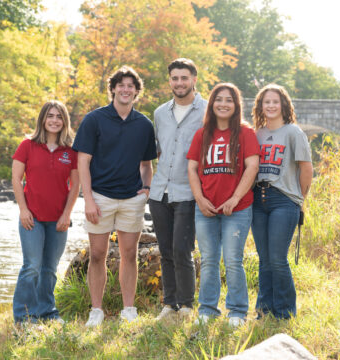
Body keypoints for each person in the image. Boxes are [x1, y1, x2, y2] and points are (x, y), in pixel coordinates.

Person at [73, 66, 157, 327]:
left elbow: (146, 164)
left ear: (136, 91)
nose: (125, 89)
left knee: (129, 253)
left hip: (131, 199)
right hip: (100, 197)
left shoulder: (144, 124)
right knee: (97, 254)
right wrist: (87, 199)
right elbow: (82, 162)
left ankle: (128, 309)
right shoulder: (94, 120)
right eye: (121, 84)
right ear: (113, 89)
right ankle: (96, 310)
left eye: (131, 85)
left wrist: (146, 189)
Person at [187, 83, 260, 327]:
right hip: (206, 207)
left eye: (229, 100)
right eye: (219, 99)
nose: (223, 104)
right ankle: (207, 310)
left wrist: (235, 198)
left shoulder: (245, 133)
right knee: (208, 260)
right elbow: (192, 168)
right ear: (212, 104)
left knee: (232, 260)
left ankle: (237, 312)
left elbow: (252, 167)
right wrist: (199, 198)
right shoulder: (202, 134)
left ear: (236, 105)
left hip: (237, 209)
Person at [148, 58, 207, 320]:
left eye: (184, 78)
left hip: (188, 191)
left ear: (194, 79)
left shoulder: (207, 110)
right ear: (169, 80)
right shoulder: (160, 113)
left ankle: (186, 306)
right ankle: (169, 304)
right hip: (160, 192)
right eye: (175, 78)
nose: (179, 83)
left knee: (183, 249)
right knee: (166, 250)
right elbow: (157, 150)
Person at [12, 100, 79, 325]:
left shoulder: (70, 151)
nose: (54, 120)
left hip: (58, 220)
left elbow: (75, 185)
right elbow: (16, 179)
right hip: (32, 218)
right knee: (31, 266)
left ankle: (47, 312)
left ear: (65, 121)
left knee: (49, 269)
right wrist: (23, 210)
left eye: (59, 116)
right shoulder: (28, 145)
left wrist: (67, 215)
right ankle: (23, 317)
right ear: (42, 119)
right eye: (50, 116)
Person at [251, 84, 313, 319]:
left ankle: (285, 312)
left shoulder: (293, 132)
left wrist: (299, 200)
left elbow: (306, 169)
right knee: (264, 259)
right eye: (266, 102)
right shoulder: (257, 134)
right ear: (260, 105)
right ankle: (264, 311)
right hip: (258, 199)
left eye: (275, 101)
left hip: (283, 200)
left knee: (277, 259)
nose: (271, 106)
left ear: (283, 105)